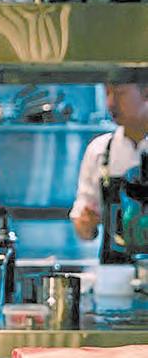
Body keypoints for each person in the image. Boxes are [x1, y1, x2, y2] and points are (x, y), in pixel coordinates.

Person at [71, 83, 147, 263]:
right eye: (107, 93)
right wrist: (86, 222)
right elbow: (84, 231)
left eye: (120, 93)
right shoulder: (100, 149)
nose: (110, 103)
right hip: (115, 273)